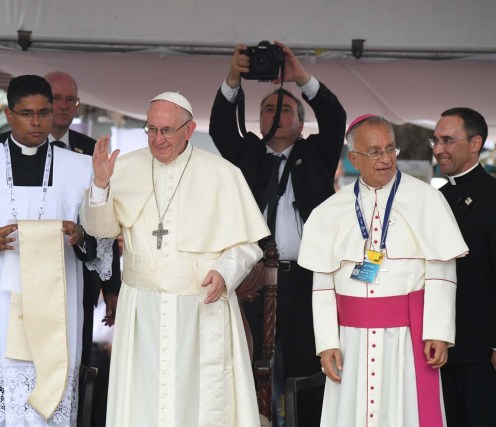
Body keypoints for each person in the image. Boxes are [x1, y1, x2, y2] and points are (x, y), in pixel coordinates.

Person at [80, 92, 270, 426]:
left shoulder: (222, 174)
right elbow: (101, 230)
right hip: (142, 309)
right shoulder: (122, 168)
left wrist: (225, 273)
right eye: (150, 130)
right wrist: (100, 184)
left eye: (166, 130)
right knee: (143, 399)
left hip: (199, 304)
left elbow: (248, 245)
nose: (157, 139)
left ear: (189, 129)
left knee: (196, 401)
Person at [0, 75, 108, 425]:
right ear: (9, 114)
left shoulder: (79, 167)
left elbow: (100, 236)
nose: (37, 122)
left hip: (56, 303)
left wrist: (79, 235)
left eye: (44, 113)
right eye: (27, 113)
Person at [298, 114, 468, 426]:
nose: (386, 159)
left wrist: (438, 332)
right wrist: (327, 343)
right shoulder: (329, 212)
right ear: (354, 158)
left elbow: (442, 272)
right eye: (374, 152)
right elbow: (322, 283)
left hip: (407, 338)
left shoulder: (427, 199)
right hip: (351, 340)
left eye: (391, 149)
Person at [209, 40, 346, 424]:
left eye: (285, 109)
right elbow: (221, 128)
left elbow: (335, 118)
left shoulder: (316, 154)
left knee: (307, 368)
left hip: (304, 279)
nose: (276, 114)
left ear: (301, 122)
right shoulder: (248, 155)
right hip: (252, 281)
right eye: (268, 108)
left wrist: (299, 76)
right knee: (250, 366)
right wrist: (234, 77)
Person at [45, 70, 121, 369]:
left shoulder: (92, 150)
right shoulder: (4, 145)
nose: (63, 106)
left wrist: (111, 286)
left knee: (76, 366)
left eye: (70, 100)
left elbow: (106, 219)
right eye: (55, 98)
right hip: (23, 275)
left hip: (79, 274)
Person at [432, 107, 496, 426]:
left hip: (482, 351)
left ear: (475, 143)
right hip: (440, 347)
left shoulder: (492, 196)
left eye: (447, 140)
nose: (438, 148)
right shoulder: (436, 199)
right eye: (435, 140)